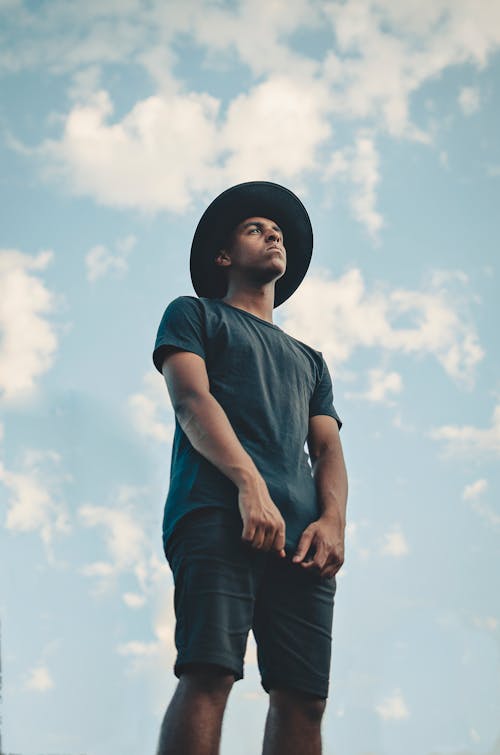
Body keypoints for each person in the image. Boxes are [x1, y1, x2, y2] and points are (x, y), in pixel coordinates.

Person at [153, 181, 348, 755]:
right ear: (223, 256)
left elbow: (329, 450)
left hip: (303, 540)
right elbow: (191, 400)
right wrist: (247, 484)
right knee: (210, 671)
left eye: (278, 231)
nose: (273, 235)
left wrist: (333, 520)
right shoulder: (193, 315)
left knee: (304, 698)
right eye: (255, 229)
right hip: (218, 512)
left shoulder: (311, 361)